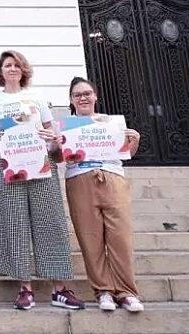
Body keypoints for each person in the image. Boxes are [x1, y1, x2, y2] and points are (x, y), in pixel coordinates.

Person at [0, 50, 84, 311]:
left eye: (16, 65)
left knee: (51, 223)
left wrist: (51, 137)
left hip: (41, 165)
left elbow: (52, 132)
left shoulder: (37, 97)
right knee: (15, 225)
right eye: (7, 65)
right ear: (1, 71)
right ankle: (24, 288)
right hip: (9, 169)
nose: (12, 69)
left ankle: (59, 289)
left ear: (23, 69)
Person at [55, 77, 144, 313]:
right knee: (90, 238)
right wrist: (56, 145)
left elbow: (126, 154)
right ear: (71, 100)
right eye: (77, 95)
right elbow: (57, 157)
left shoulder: (111, 123)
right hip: (80, 179)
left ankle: (126, 292)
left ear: (95, 96)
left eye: (87, 93)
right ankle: (103, 291)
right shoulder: (67, 127)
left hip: (112, 177)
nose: (83, 98)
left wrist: (134, 141)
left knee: (120, 237)